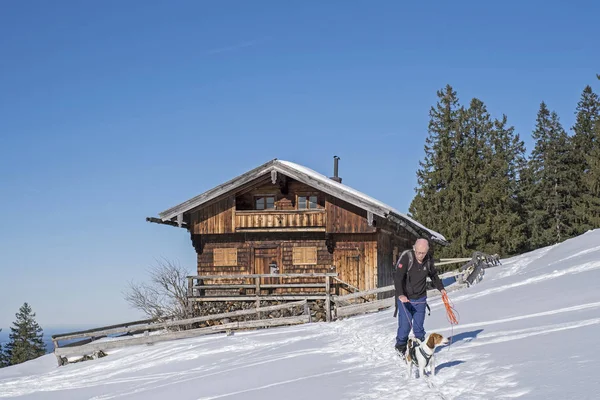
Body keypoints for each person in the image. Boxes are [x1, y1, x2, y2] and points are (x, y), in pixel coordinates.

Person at [393, 238, 446, 356]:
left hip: (420, 299)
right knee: (405, 328)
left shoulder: (428, 260)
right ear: (414, 249)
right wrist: (401, 294)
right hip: (405, 299)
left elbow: (434, 275)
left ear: (427, 251)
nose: (420, 255)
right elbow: (398, 277)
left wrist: (441, 288)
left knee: (418, 329)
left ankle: (420, 351)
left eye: (423, 253)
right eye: (418, 252)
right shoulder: (407, 257)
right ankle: (400, 348)